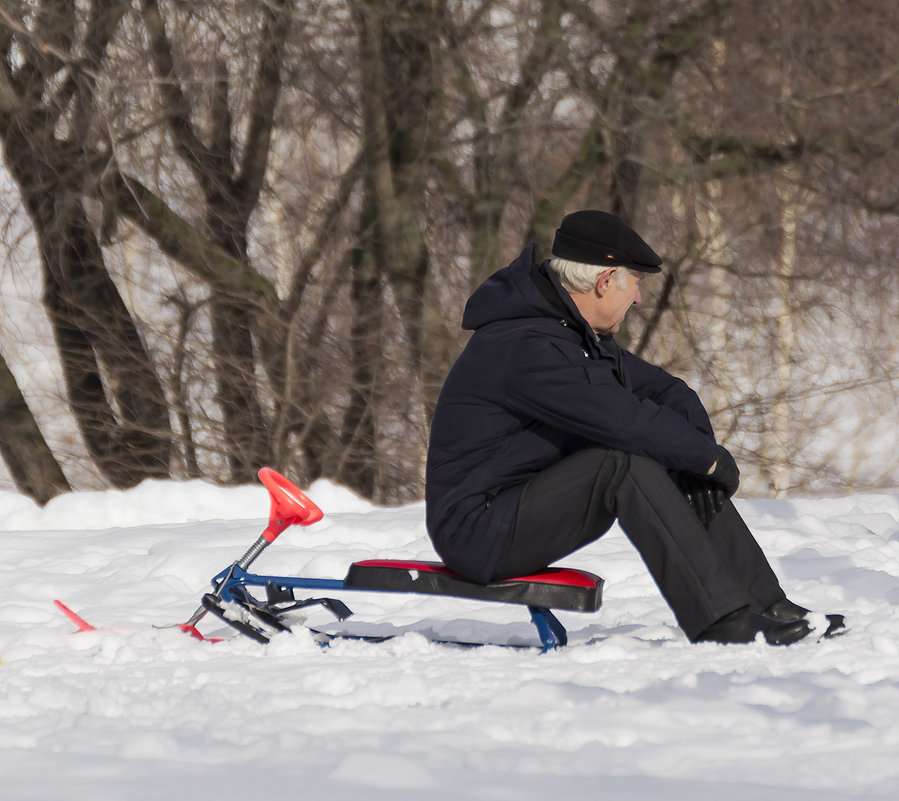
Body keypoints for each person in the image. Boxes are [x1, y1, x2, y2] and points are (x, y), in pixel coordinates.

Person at [425, 210, 831, 645]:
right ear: (604, 282)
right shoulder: (528, 348)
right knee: (623, 461)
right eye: (635, 284)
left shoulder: (573, 337)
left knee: (666, 452)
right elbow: (625, 422)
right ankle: (722, 618)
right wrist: (711, 461)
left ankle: (764, 603)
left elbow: (668, 393)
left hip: (517, 505)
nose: (638, 299)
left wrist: (699, 463)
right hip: (477, 528)